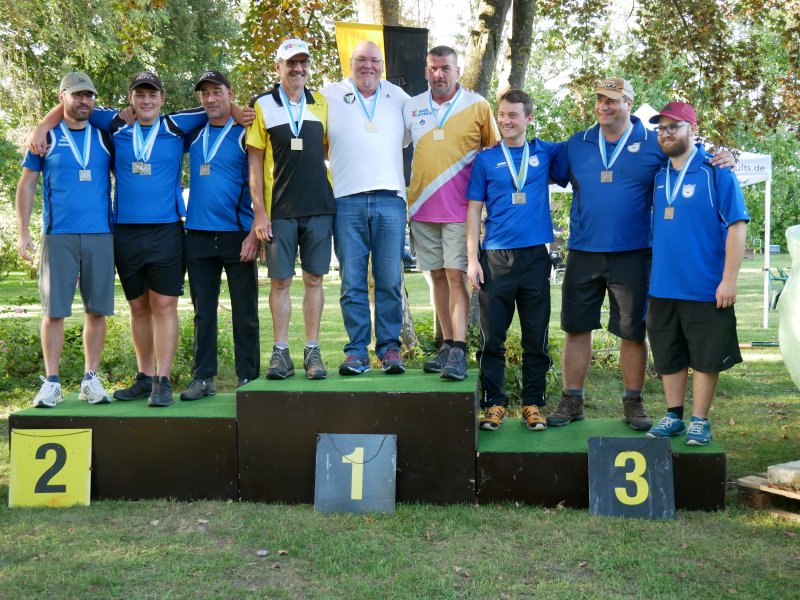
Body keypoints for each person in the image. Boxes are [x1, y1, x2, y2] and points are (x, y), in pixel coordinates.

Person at [547, 77, 735, 429]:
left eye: (612, 100)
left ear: (628, 104)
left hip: (633, 253)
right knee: (576, 328)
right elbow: (539, 163)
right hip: (584, 251)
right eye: (600, 99)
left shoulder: (654, 141)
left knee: (632, 332)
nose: (604, 106)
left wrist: (725, 156)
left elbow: (689, 155)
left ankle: (633, 403)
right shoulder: (576, 143)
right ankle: (572, 400)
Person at [644, 101, 748, 445]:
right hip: (662, 287)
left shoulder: (716, 171)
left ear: (693, 129)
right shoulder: (658, 175)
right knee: (669, 354)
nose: (666, 134)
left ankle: (700, 420)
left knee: (705, 357)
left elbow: (737, 226)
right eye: (661, 128)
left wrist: (729, 279)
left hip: (705, 287)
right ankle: (673, 415)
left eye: (673, 127)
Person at [16, 72, 115, 407]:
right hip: (58, 234)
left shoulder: (104, 135)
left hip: (100, 233)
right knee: (54, 311)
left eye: (89, 95)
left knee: (97, 310)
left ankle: (91, 379)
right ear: (62, 97)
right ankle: (52, 382)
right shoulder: (46, 138)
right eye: (77, 95)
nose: (84, 101)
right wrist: (24, 231)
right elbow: (27, 184)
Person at [403, 45, 499, 381]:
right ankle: (446, 344)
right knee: (437, 277)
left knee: (457, 276)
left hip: (461, 209)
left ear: (458, 71)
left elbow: (493, 151)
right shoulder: (412, 106)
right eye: (433, 68)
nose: (438, 74)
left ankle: (459, 348)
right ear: (426, 71)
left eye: (445, 68)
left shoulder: (477, 105)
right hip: (421, 208)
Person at [466, 89, 560, 431]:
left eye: (513, 115)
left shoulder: (544, 152)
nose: (505, 121)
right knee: (493, 338)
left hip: (535, 257)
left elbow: (586, 148)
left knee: (536, 337)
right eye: (502, 114)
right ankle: (494, 404)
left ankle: (533, 404)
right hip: (495, 258)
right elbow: (473, 210)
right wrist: (472, 258)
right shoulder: (486, 160)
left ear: (529, 118)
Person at [247, 38, 335, 380]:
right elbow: (254, 162)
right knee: (280, 281)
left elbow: (328, 150)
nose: (298, 68)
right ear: (278, 66)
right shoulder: (262, 105)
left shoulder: (322, 103)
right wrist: (259, 211)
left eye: (303, 62)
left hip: (319, 207)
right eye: (291, 63)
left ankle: (312, 350)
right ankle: (280, 352)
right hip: (279, 210)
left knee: (314, 279)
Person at [322, 40, 410, 375]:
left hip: (390, 198)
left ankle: (389, 349)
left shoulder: (399, 98)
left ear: (382, 65)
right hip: (346, 199)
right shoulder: (328, 95)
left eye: (374, 60)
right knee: (352, 282)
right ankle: (357, 351)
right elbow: (310, 129)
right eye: (361, 59)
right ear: (350, 62)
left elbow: (413, 134)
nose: (368, 66)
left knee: (390, 279)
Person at [179, 70, 260, 401]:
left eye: (217, 92)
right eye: (205, 94)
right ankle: (203, 378)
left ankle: (248, 377)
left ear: (230, 93)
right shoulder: (194, 132)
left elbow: (259, 183)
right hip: (197, 235)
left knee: (245, 312)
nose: (211, 99)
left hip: (238, 234)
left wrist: (254, 233)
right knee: (203, 313)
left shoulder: (245, 131)